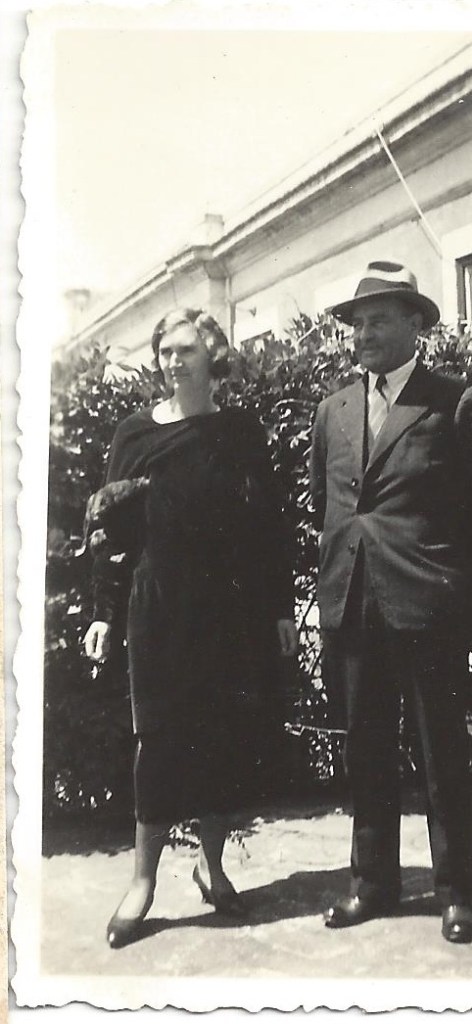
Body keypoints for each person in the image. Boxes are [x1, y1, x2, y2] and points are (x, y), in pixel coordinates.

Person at [310, 260, 472, 944]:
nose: (362, 335)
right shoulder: (332, 410)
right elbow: (330, 507)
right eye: (356, 324)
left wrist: (459, 584)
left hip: (428, 606)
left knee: (440, 753)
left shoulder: (454, 402)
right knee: (364, 752)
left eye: (377, 321)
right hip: (354, 603)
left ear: (415, 325)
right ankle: (371, 885)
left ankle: (457, 892)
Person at [83, 308, 298, 949]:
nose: (173, 361)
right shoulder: (134, 433)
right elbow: (110, 530)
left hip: (229, 612)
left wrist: (281, 608)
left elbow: (268, 529)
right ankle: (143, 882)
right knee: (160, 740)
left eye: (184, 350)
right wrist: (101, 610)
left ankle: (213, 866)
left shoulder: (239, 431)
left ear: (212, 356)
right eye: (164, 351)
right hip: (159, 609)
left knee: (223, 737)